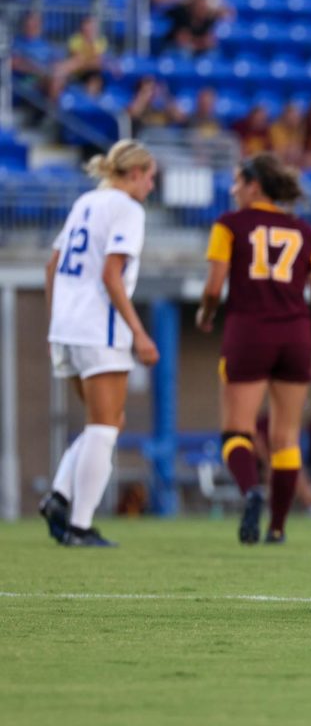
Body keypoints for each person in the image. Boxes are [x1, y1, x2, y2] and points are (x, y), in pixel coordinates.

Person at [196, 153, 311, 545]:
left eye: (238, 182)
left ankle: (252, 490)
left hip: (248, 330)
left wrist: (205, 314)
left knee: (237, 430)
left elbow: (214, 287)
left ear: (255, 186)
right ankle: (278, 526)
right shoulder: (307, 233)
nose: (233, 190)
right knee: (286, 438)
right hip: (295, 335)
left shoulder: (229, 225)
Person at [38, 140, 160, 547]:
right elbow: (112, 274)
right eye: (150, 176)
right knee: (105, 427)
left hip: (67, 326)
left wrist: (58, 316)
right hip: (99, 327)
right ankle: (80, 525)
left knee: (106, 423)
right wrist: (139, 333)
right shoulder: (127, 209)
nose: (152, 185)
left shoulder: (87, 201)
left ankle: (59, 495)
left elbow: (51, 265)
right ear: (135, 173)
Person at [269, 102, 306, 167]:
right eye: (293, 116)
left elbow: (299, 148)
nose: (296, 119)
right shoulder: (275, 129)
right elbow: (277, 150)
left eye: (297, 116)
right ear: (285, 116)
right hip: (278, 158)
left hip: (292, 158)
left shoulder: (299, 130)